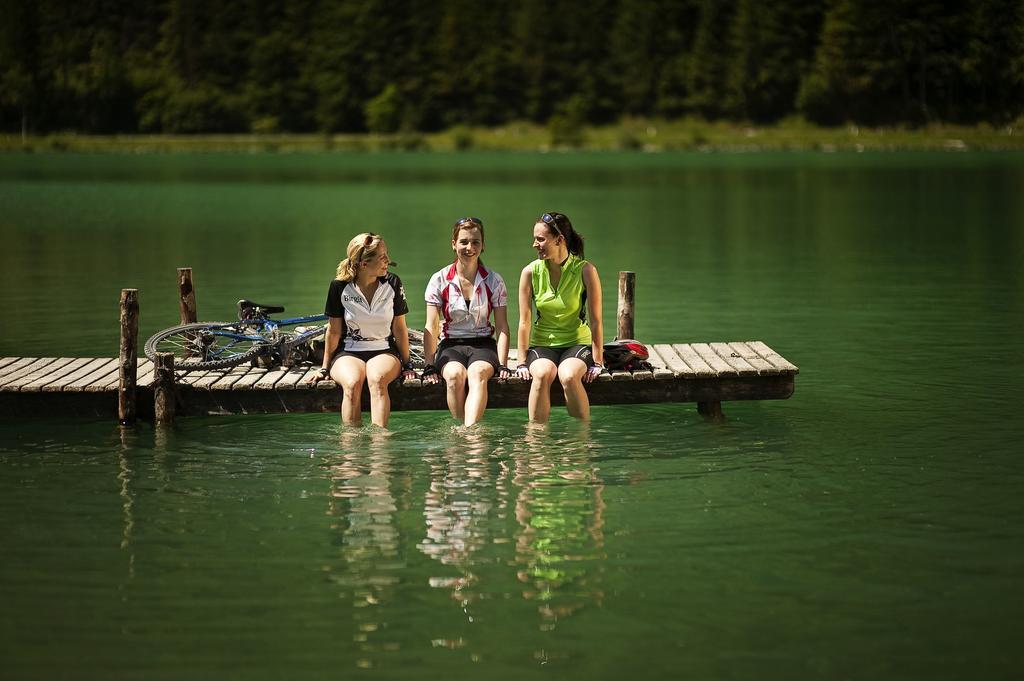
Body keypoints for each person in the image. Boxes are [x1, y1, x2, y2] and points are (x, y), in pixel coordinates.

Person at [315, 232, 417, 427]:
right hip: (348, 352)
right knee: (352, 383)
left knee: (377, 379)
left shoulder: (393, 283)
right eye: (382, 257)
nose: (388, 260)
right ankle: (351, 446)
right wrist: (324, 368)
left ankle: (379, 445)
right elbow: (334, 331)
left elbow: (399, 329)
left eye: (387, 254)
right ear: (363, 264)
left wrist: (407, 364)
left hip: (384, 350)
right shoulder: (339, 287)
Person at [515, 211, 605, 422]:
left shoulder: (586, 270)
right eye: (534, 239)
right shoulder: (530, 272)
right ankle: (536, 441)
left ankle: (581, 437)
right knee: (541, 374)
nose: (535, 244)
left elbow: (596, 320)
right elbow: (524, 321)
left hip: (577, 343)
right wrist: (520, 362)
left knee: (569, 375)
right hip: (542, 343)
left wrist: (598, 362)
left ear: (559, 240)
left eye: (540, 239)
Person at [422, 217, 511, 426]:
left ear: (482, 245)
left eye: (475, 242)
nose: (469, 247)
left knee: (477, 373)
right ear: (454, 244)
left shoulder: (494, 280)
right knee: (454, 375)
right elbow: (431, 325)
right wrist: (429, 365)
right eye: (463, 242)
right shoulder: (439, 279)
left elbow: (502, 326)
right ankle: (460, 427)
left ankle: (469, 432)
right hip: (451, 344)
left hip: (483, 344)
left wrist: (504, 363)